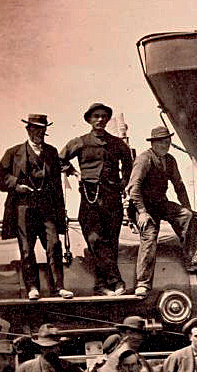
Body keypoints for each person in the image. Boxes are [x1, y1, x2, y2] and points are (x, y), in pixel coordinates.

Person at [126, 126, 197, 296]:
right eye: (162, 142)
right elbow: (133, 188)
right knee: (150, 236)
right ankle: (143, 283)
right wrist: (142, 212)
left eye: (168, 141)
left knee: (186, 216)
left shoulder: (170, 160)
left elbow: (179, 186)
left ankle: (194, 260)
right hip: (142, 205)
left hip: (160, 203)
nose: (166, 145)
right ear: (154, 143)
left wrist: (187, 207)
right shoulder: (144, 160)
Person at [60, 102, 133, 295]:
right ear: (90, 120)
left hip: (112, 200)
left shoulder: (117, 143)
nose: (100, 119)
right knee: (95, 240)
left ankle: (101, 286)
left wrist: (124, 182)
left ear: (107, 119)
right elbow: (59, 159)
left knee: (111, 243)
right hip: (89, 198)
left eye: (103, 116)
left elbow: (128, 164)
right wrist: (73, 172)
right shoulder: (81, 141)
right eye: (96, 116)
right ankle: (116, 281)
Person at [0, 114, 71, 300]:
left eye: (43, 128)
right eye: (36, 128)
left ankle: (59, 287)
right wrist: (16, 185)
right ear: (28, 130)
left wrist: (61, 213)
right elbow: (0, 176)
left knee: (54, 245)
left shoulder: (52, 152)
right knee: (27, 249)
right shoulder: (13, 153)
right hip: (23, 207)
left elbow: (58, 187)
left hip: (47, 207)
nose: (40, 132)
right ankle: (32, 288)